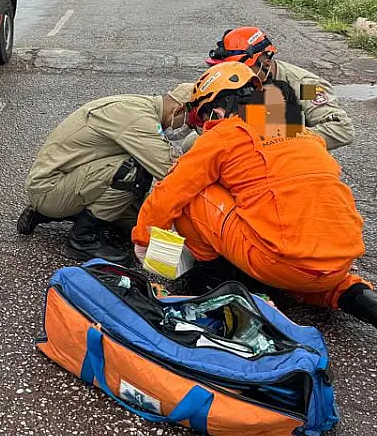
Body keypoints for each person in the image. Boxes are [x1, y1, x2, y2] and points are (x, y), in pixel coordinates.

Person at [131, 62, 377, 328]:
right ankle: (354, 295)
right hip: (338, 262)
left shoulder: (225, 135)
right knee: (311, 275)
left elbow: (170, 191)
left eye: (204, 118)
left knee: (194, 193)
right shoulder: (299, 131)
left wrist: (143, 239)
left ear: (216, 110)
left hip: (276, 261)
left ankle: (215, 280)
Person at [17, 83, 196, 264]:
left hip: (57, 180)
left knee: (137, 222)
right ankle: (81, 240)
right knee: (132, 172)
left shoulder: (141, 107)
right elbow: (171, 172)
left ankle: (45, 213)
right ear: (178, 110)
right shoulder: (138, 120)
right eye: (189, 124)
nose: (188, 129)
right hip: (50, 188)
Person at [207, 26, 353, 150]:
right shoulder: (233, 81)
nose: (237, 77)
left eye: (243, 70)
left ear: (265, 64)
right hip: (247, 143)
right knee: (194, 143)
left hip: (293, 154)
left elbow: (341, 129)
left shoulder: (304, 86)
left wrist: (282, 138)